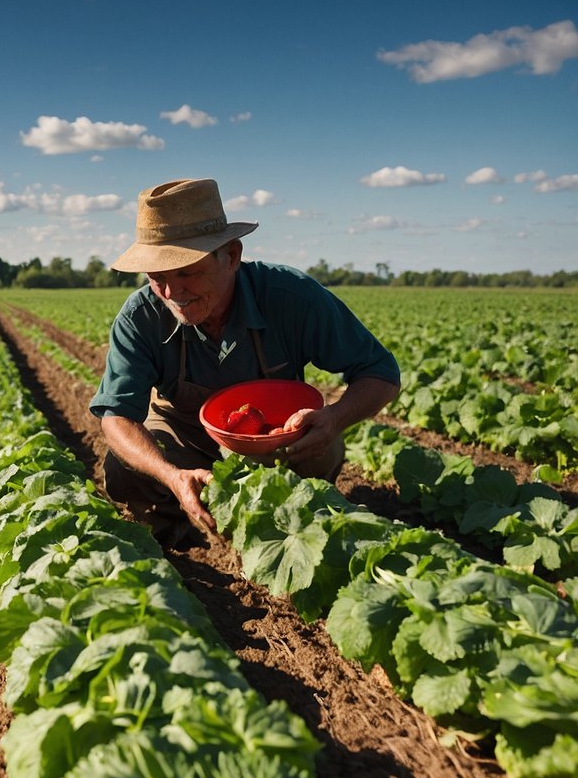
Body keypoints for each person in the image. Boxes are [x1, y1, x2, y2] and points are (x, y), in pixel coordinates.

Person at [89, 178, 400, 543]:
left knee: (321, 450)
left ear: (232, 256)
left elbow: (380, 372)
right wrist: (172, 474)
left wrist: (333, 418)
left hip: (274, 440)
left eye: (187, 271)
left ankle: (293, 536)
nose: (173, 293)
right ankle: (184, 539)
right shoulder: (140, 316)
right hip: (185, 436)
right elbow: (116, 416)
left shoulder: (291, 297)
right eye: (158, 278)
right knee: (126, 469)